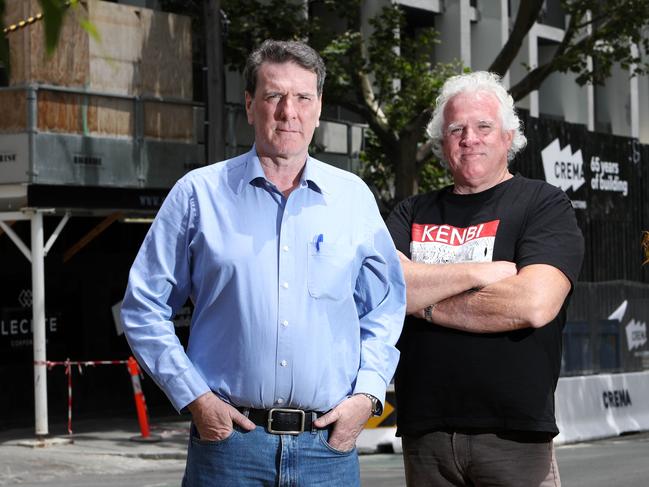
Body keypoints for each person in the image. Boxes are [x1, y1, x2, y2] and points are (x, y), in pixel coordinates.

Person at [120, 39, 406, 486]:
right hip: (229, 447)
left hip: (326, 449)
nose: (288, 111)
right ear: (250, 104)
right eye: (274, 96)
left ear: (318, 106)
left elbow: (384, 309)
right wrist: (195, 398)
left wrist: (366, 398)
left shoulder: (354, 198)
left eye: (302, 98)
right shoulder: (198, 194)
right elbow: (142, 307)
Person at [386, 71, 584, 487]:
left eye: (483, 127)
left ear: (508, 137)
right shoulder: (410, 212)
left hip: (515, 434)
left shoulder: (544, 204)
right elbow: (386, 288)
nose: (469, 138)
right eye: (456, 128)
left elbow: (532, 304)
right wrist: (479, 273)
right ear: (442, 142)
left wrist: (425, 299)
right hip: (426, 433)